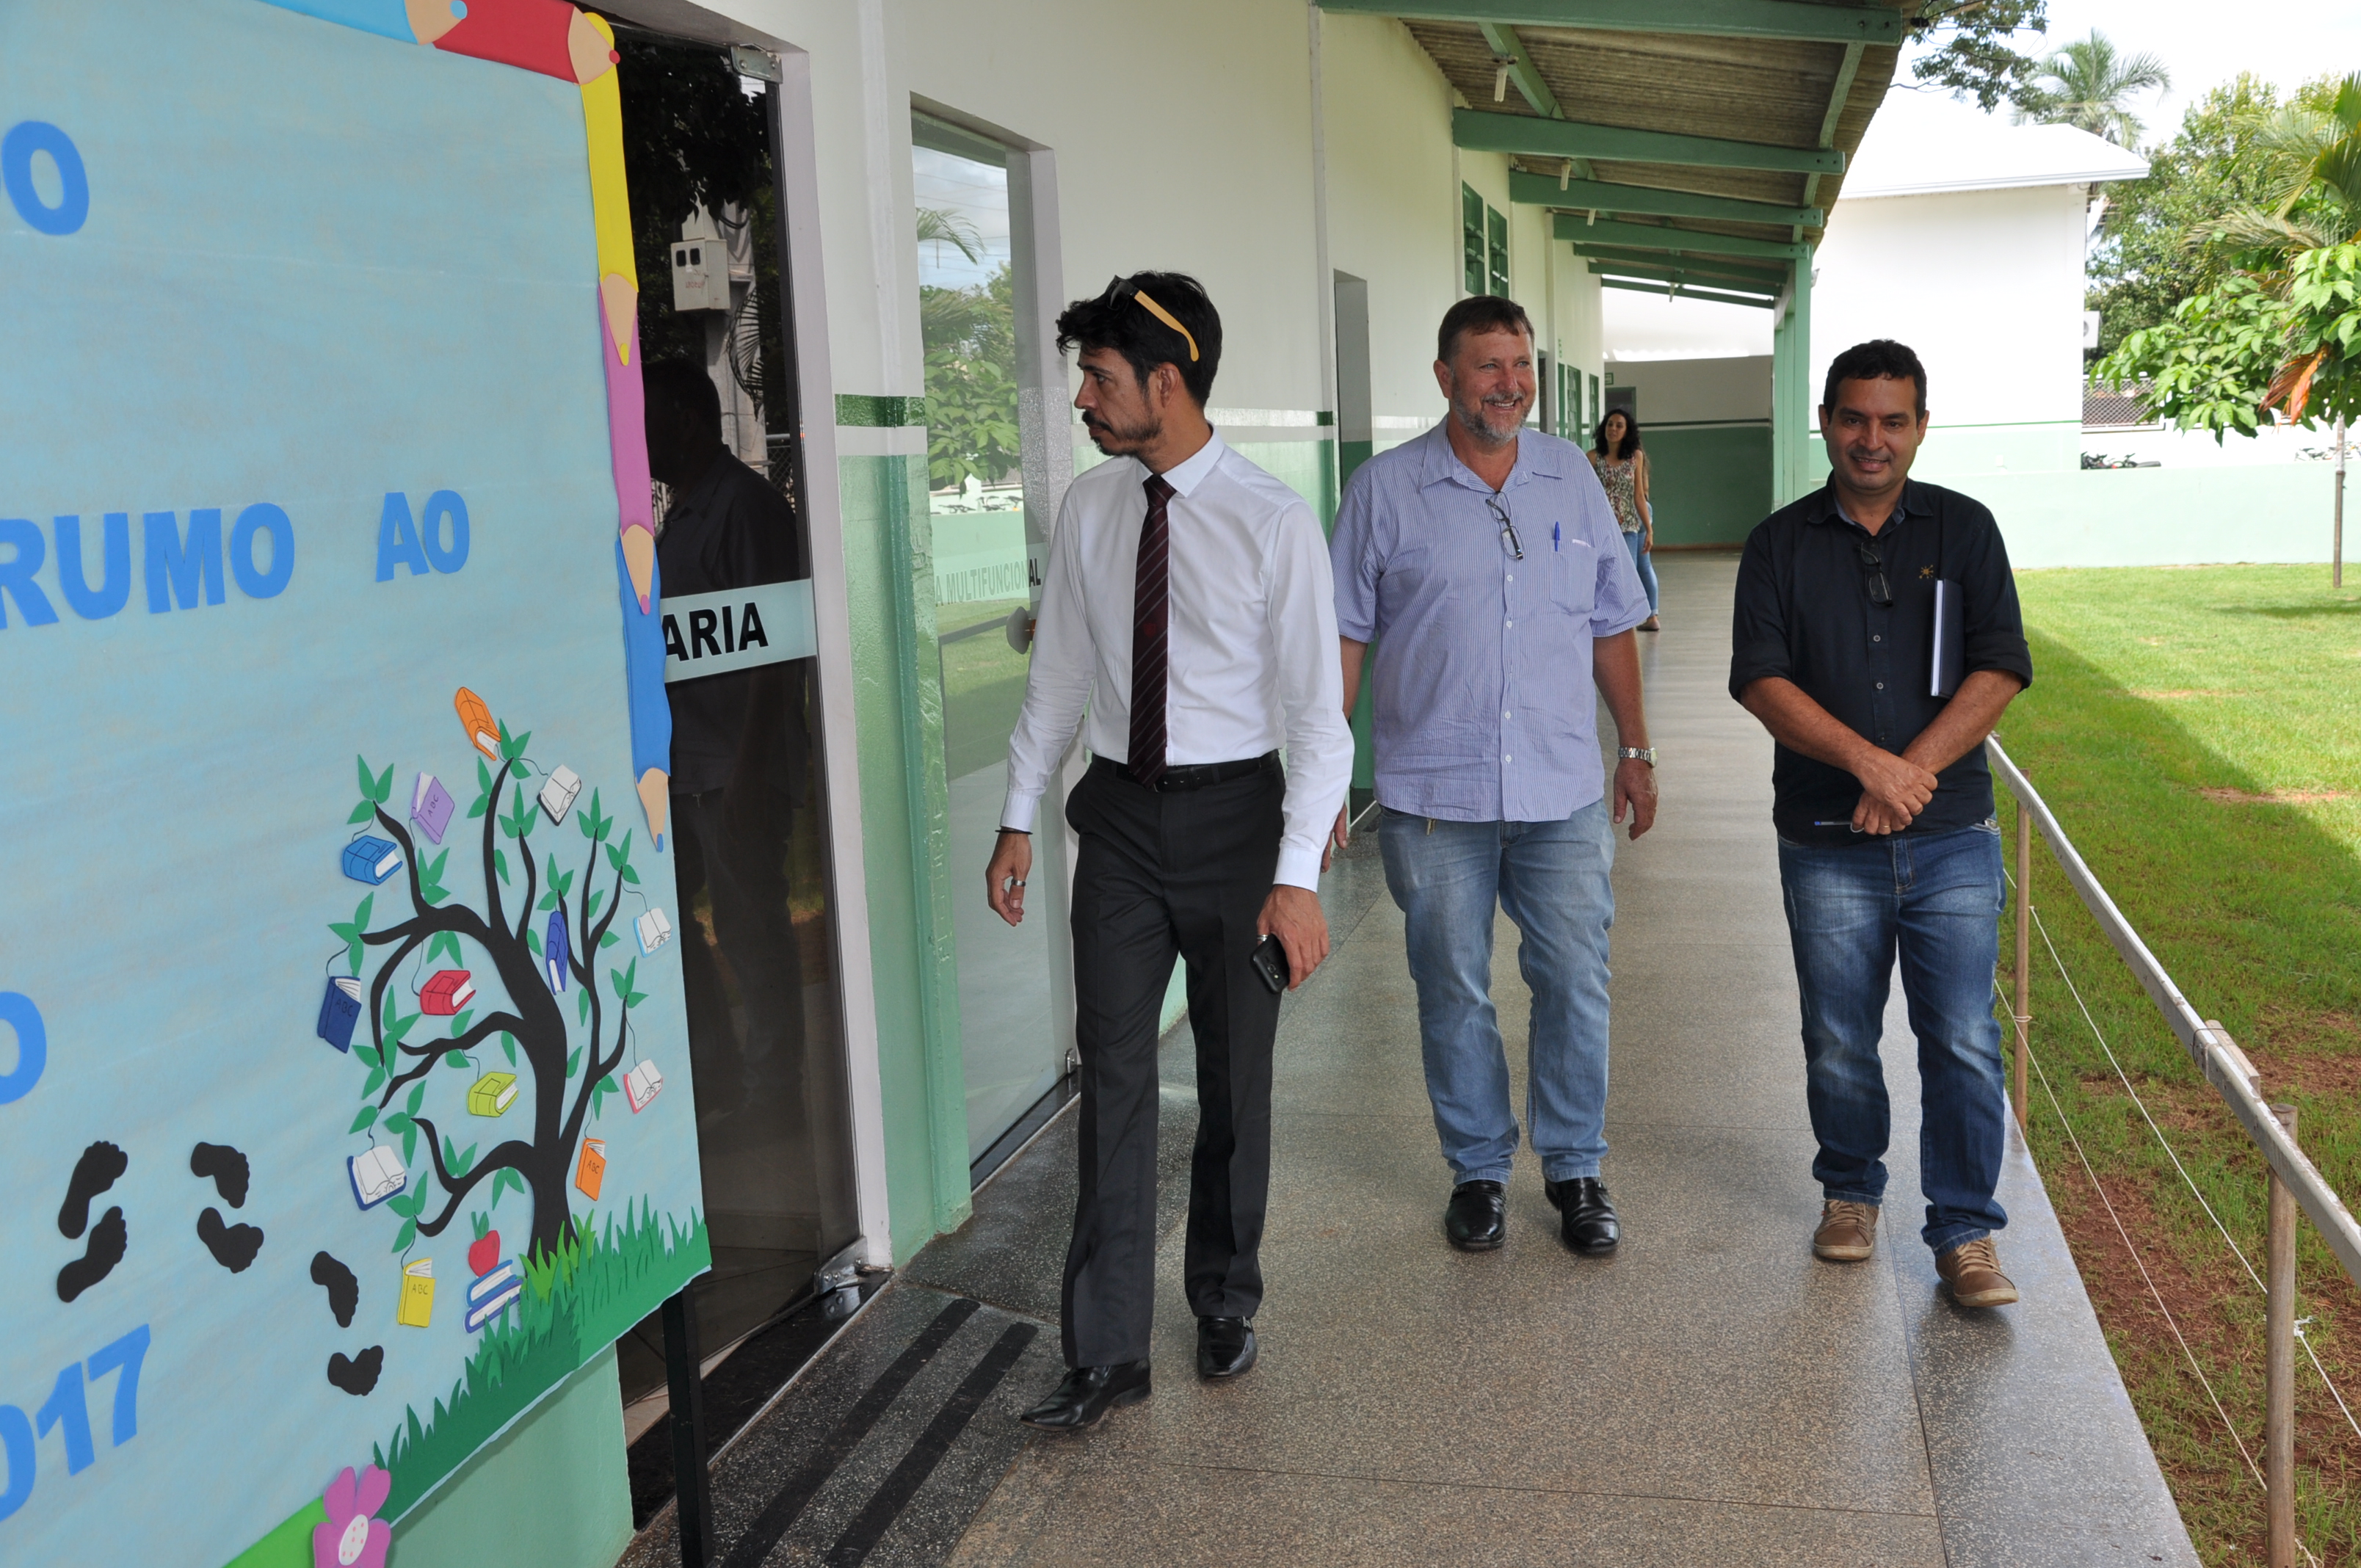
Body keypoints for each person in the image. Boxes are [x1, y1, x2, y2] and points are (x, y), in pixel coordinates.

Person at [985, 273, 1353, 1430]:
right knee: (1116, 1077)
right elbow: (1058, 679)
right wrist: (1014, 812)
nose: (1084, 401)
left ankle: (1224, 1295)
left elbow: (1317, 724)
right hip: (1123, 831)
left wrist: (1294, 883)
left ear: (1166, 382)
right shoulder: (1093, 510)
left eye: (1099, 379)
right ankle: (1104, 1351)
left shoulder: (1270, 521)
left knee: (1236, 1083)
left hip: (1240, 826)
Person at [1328, 295, 1657, 1257]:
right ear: (1444, 378)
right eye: (1487, 366)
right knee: (1452, 986)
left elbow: (1610, 622)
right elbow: (1345, 636)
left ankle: (1574, 1167)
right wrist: (1314, 788)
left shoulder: (1572, 481)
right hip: (1436, 796)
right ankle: (1477, 1168)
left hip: (1560, 790)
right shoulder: (1385, 492)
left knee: (1574, 977)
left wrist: (1633, 750)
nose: (1509, 384)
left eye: (1521, 365)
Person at [1728, 338, 2033, 1310]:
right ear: (1826, 421)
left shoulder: (1967, 529)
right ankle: (1850, 1195)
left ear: (1920, 427)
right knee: (1839, 1035)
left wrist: (1915, 774)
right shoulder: (1779, 544)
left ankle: (1965, 1234)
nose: (1873, 439)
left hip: (1952, 841)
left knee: (1962, 1037)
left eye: (1893, 420)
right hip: (1827, 844)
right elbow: (1760, 681)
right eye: (1855, 418)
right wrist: (1869, 766)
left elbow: (2001, 666)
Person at [643, 360, 808, 1125]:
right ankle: (715, 1078)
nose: (636, 434)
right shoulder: (679, 513)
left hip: (734, 771)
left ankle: (772, 1095)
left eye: (646, 415)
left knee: (750, 930)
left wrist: (749, 776)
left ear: (681, 416)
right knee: (668, 924)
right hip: (684, 771)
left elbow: (778, 660)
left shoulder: (744, 509)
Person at [1588, 410, 1660, 631]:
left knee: (1634, 569)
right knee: (1607, 572)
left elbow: (1640, 495)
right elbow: (1586, 493)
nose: (1614, 429)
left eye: (1619, 425)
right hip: (1604, 524)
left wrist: (1649, 529)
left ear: (1627, 430)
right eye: (1610, 424)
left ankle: (1648, 616)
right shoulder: (1592, 457)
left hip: (1630, 522)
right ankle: (1617, 618)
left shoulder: (1634, 457)